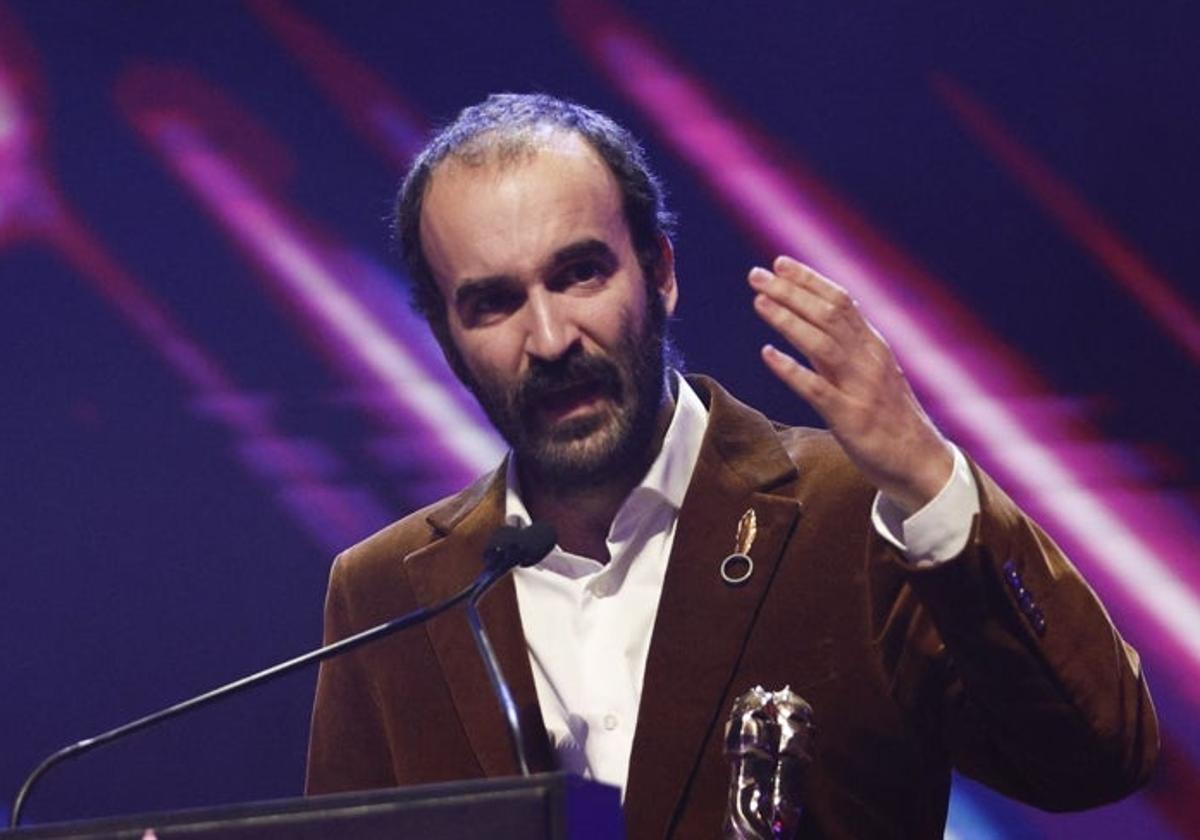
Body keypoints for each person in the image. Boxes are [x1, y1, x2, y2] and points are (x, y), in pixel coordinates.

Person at [305, 93, 1157, 838]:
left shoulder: (857, 514)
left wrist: (930, 481)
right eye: (493, 303)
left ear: (661, 273)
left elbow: (1092, 758)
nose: (551, 339)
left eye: (580, 273)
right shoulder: (388, 592)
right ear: (447, 340)